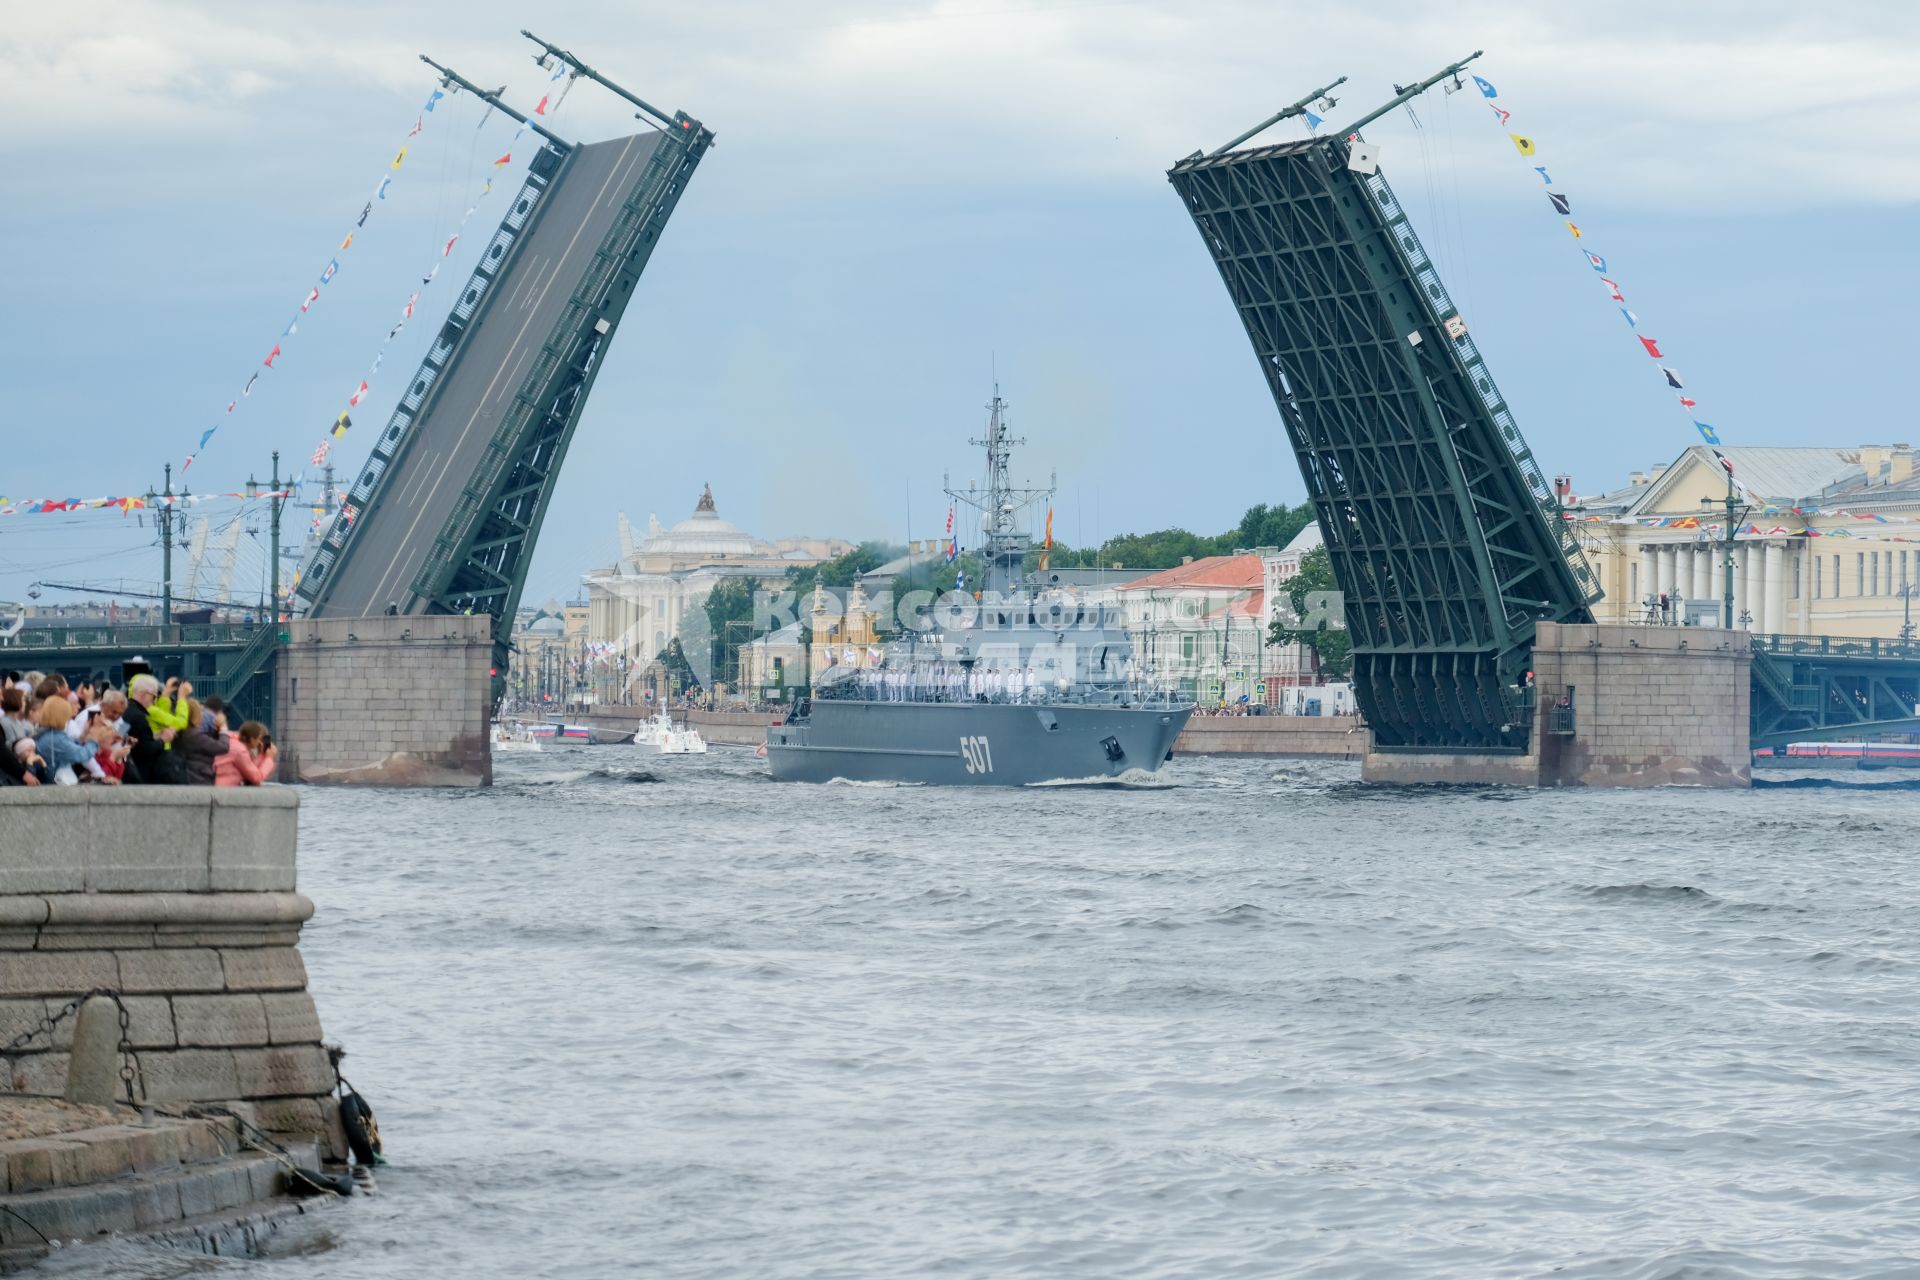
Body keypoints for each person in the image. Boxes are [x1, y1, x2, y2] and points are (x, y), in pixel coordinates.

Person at [35, 697, 100, 785]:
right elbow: (82, 755)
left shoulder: (47, 734)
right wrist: (94, 738)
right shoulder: (56, 739)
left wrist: (83, 735)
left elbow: (70, 749)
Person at [121, 674, 169, 784]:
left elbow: (121, 735)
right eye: (154, 697)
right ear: (145, 694)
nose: (154, 701)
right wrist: (163, 740)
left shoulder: (126, 710)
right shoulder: (139, 717)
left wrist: (155, 736)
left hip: (125, 768)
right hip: (139, 772)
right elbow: (146, 749)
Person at [168, 699, 227, 786]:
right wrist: (223, 728)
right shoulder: (194, 736)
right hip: (199, 779)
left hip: (184, 777)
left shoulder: (180, 732)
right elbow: (223, 747)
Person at [216, 721, 277, 786]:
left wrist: (264, 756)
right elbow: (256, 777)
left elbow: (250, 769)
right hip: (223, 788)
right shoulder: (240, 750)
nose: (259, 742)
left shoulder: (232, 741)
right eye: (259, 739)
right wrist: (269, 758)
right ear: (252, 739)